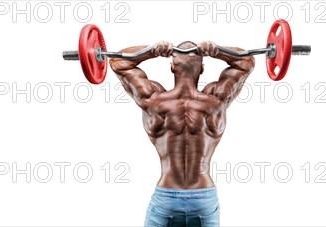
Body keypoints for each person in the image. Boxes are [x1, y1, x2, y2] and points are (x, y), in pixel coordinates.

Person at [109, 41, 255, 226]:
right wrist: (217, 51)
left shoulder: (153, 100)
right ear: (201, 68)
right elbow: (246, 61)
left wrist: (151, 52)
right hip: (203, 198)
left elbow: (117, 61)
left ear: (172, 67)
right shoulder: (216, 100)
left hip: (166, 198)